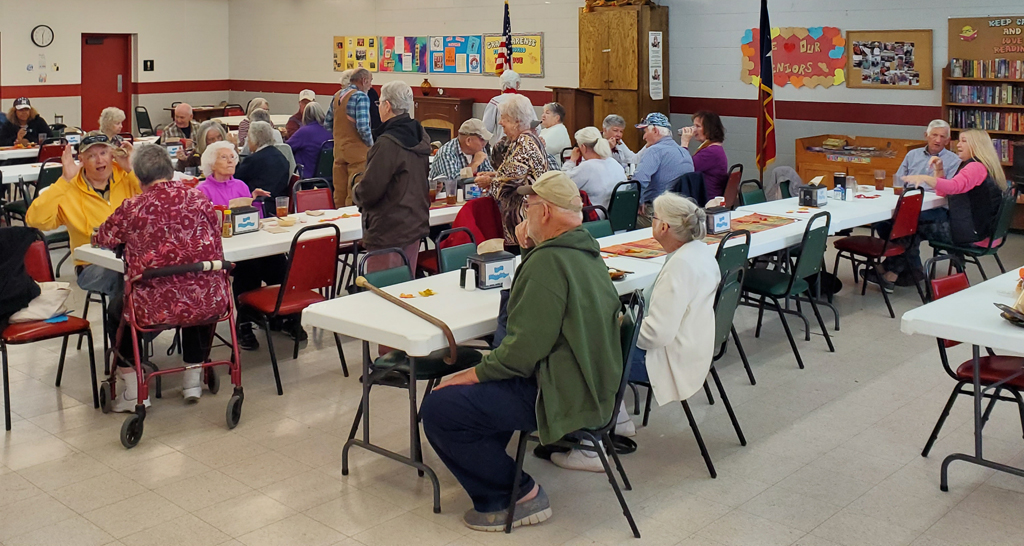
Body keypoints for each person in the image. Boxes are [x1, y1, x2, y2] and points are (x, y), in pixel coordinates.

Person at [420, 170, 623, 531]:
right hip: (586, 382)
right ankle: (498, 469)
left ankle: (515, 495)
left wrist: (466, 374)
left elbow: (518, 354)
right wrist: (530, 250)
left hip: (556, 390)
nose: (522, 215)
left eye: (527, 207)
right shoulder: (586, 251)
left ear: (544, 213)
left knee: (440, 406)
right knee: (476, 389)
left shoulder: (548, 262)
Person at [93, 144, 226, 407]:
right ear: (171, 169)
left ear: (140, 179)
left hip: (151, 306)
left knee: (117, 312)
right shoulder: (200, 199)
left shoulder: (133, 207)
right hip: (206, 299)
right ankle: (192, 382)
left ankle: (133, 392)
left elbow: (103, 237)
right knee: (194, 292)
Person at [25, 133, 142, 381]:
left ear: (113, 155)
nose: (99, 160)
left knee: (144, 279)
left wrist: (132, 169)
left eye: (103, 153)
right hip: (92, 265)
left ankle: (128, 348)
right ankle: (129, 355)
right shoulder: (69, 188)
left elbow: (157, 199)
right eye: (91, 155)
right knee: (129, 281)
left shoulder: (127, 179)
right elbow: (35, 220)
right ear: (81, 160)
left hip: (136, 259)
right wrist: (64, 181)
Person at [197, 141, 291, 349]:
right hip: (224, 249)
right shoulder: (202, 190)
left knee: (280, 262)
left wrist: (254, 201)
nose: (231, 160)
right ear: (211, 164)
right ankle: (244, 323)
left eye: (232, 157)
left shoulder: (240, 186)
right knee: (248, 269)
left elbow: (252, 219)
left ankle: (284, 315)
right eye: (224, 157)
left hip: (249, 243)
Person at [868, 120, 963, 290]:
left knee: (906, 225)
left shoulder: (954, 161)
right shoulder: (912, 155)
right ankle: (914, 268)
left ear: (948, 141)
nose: (938, 140)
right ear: (926, 135)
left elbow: (949, 190)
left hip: (936, 209)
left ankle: (892, 272)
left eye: (942, 137)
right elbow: (899, 179)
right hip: (909, 202)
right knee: (884, 224)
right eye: (934, 135)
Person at [898, 129, 1007, 273]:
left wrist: (924, 178)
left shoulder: (975, 167)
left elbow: (954, 187)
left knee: (907, 227)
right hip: (987, 234)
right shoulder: (985, 166)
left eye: (964, 141)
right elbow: (944, 192)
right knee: (911, 225)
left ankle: (900, 272)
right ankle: (904, 271)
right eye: (959, 140)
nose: (958, 145)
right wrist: (939, 170)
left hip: (974, 236)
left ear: (976, 145)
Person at [353, 81, 430, 272]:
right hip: (414, 222)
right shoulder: (420, 135)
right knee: (404, 287)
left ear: (387, 106)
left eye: (379, 104)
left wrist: (356, 191)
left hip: (389, 228)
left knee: (383, 292)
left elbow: (370, 189)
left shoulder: (387, 144)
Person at [476, 94, 550, 245]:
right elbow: (520, 174)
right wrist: (496, 175)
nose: (500, 122)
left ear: (517, 121)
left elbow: (505, 185)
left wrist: (490, 181)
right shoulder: (532, 139)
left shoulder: (523, 143)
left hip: (523, 218)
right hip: (533, 212)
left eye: (505, 119)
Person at [632, 113, 693, 227]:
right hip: (681, 212)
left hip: (658, 213)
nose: (644, 137)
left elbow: (639, 180)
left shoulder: (654, 151)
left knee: (619, 221)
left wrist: (638, 202)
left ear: (655, 131)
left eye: (645, 132)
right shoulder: (684, 152)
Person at [328, 68, 374, 208]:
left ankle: (339, 224)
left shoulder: (337, 96)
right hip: (357, 154)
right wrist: (372, 146)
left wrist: (341, 136)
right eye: (371, 81)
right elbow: (363, 127)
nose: (371, 86)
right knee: (354, 193)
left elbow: (327, 123)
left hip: (338, 152)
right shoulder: (361, 97)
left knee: (339, 193)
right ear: (364, 80)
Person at [561, 126, 625, 210]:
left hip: (595, 217)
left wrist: (571, 160)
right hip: (615, 215)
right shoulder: (615, 163)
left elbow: (562, 183)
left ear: (583, 147)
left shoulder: (587, 167)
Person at [678, 110, 728, 200]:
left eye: (698, 126)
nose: (694, 130)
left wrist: (684, 143)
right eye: (694, 126)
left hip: (706, 198)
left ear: (709, 129)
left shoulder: (711, 152)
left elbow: (684, 168)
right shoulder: (714, 148)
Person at [235, 121, 291, 200]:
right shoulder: (282, 157)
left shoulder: (253, 160)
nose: (247, 141)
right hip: (279, 202)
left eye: (248, 138)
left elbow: (235, 179)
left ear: (255, 140)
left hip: (259, 203)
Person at [428, 118, 495, 184]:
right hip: (444, 194)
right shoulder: (447, 153)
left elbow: (489, 173)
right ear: (468, 141)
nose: (485, 143)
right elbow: (452, 182)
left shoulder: (480, 149)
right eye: (482, 139)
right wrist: (475, 163)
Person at [483, 70, 536, 146]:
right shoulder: (525, 101)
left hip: (502, 146)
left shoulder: (495, 101)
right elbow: (536, 127)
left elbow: (486, 129)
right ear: (517, 83)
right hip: (523, 145)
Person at [286, 101, 332, 179]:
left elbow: (287, 148)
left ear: (305, 116)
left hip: (307, 176)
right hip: (328, 177)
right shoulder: (330, 131)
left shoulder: (303, 132)